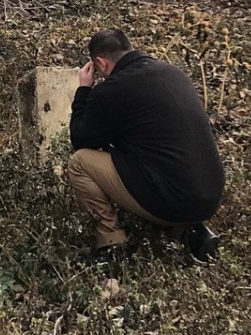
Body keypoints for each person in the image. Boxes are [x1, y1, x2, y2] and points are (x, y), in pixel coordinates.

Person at [67, 28, 225, 262]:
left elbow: (80, 140)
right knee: (143, 158)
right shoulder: (174, 74)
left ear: (100, 63)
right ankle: (191, 231)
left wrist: (83, 91)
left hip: (173, 197)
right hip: (211, 194)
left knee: (80, 163)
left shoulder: (112, 90)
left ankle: (111, 246)